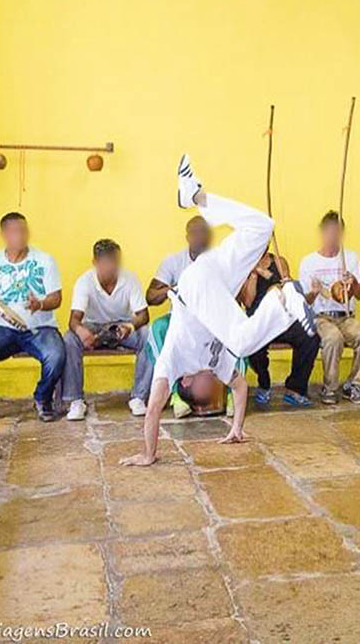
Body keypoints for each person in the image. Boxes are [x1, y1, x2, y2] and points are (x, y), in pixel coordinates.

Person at [119, 156, 314, 467]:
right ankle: (195, 196)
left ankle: (284, 302)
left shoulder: (173, 362)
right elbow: (240, 387)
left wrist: (148, 454)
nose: (214, 389)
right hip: (216, 276)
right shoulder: (218, 366)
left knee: (240, 341)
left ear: (185, 384)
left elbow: (154, 408)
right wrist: (236, 428)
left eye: (206, 394)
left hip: (195, 287)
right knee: (261, 227)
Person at [0, 212, 64, 422]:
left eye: (24, 230)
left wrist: (40, 304)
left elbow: (57, 298)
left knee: (55, 355)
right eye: (15, 231)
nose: (21, 235)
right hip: (5, 331)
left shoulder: (45, 261)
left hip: (41, 328)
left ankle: (42, 398)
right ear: (4, 234)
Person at [60, 239, 151, 421]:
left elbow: (144, 315)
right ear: (95, 262)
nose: (111, 267)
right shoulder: (85, 282)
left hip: (121, 326)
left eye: (115, 261)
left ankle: (139, 397)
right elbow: (74, 320)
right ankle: (76, 401)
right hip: (93, 326)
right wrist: (81, 331)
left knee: (148, 335)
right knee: (70, 339)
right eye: (105, 262)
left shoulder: (129, 279)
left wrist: (130, 326)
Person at [133, 215, 212, 416]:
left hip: (210, 320)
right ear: (187, 236)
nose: (200, 237)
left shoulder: (217, 260)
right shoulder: (174, 261)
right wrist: (173, 289)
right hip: (179, 320)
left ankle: (230, 394)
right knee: (157, 328)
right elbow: (151, 296)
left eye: (204, 233)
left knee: (236, 327)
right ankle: (176, 393)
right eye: (195, 233)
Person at [299, 211, 360, 405]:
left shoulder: (351, 257)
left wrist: (355, 282)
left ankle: (354, 385)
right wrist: (315, 292)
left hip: (346, 316)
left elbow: (359, 294)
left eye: (337, 232)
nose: (333, 236)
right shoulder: (309, 262)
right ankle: (330, 388)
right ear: (322, 233)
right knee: (333, 338)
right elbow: (304, 301)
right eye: (330, 232)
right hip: (321, 317)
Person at [240, 250, 320, 408]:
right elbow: (248, 302)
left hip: (282, 319)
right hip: (259, 320)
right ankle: (264, 384)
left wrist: (278, 285)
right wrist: (254, 273)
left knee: (310, 338)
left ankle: (295, 389)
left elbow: (284, 284)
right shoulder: (244, 264)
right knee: (254, 342)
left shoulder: (278, 261)